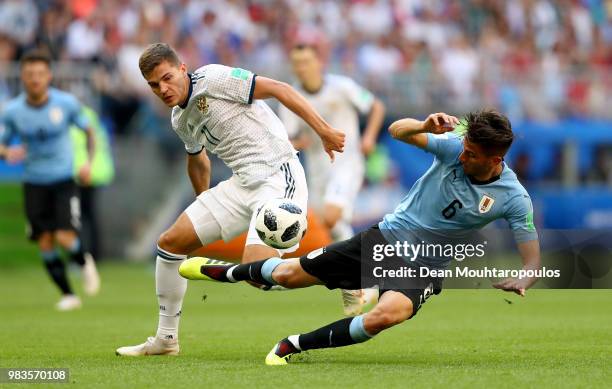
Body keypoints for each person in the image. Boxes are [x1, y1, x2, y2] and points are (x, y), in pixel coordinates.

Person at [179, 110, 542, 365]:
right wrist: (423, 124)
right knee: (287, 277)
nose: (463, 155)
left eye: (473, 154)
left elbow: (531, 256)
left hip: (424, 264)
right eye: (464, 147)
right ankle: (225, 272)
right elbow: (396, 131)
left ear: (496, 159)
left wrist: (524, 276)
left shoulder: (514, 197)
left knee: (387, 315)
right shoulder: (453, 147)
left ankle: (294, 344)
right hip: (383, 240)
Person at [115, 43, 345, 356]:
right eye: (154, 85)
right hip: (240, 185)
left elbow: (279, 88)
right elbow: (198, 159)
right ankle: (166, 340)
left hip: (278, 175)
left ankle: (342, 275)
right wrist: (203, 202)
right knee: (170, 243)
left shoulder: (213, 78)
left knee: (256, 274)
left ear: (182, 68)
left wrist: (324, 130)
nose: (163, 88)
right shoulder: (178, 119)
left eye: (167, 78)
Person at [278, 44, 386, 316]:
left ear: (319, 63)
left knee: (331, 216)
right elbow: (289, 138)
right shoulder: (290, 97)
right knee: (333, 226)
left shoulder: (342, 86)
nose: (302, 67)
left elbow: (376, 106)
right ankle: (369, 280)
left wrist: (369, 137)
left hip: (346, 163)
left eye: (307, 61)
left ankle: (356, 285)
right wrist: (299, 142)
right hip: (317, 170)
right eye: (298, 63)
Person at [0, 49, 101, 311]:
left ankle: (83, 261)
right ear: (22, 77)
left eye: (40, 74)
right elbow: (1, 142)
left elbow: (89, 132)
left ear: (49, 76)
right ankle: (68, 294)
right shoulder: (13, 111)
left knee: (65, 238)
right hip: (33, 182)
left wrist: (88, 163)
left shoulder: (65, 103)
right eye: (29, 74)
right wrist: (7, 152)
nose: (35, 79)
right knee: (44, 242)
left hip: (63, 180)